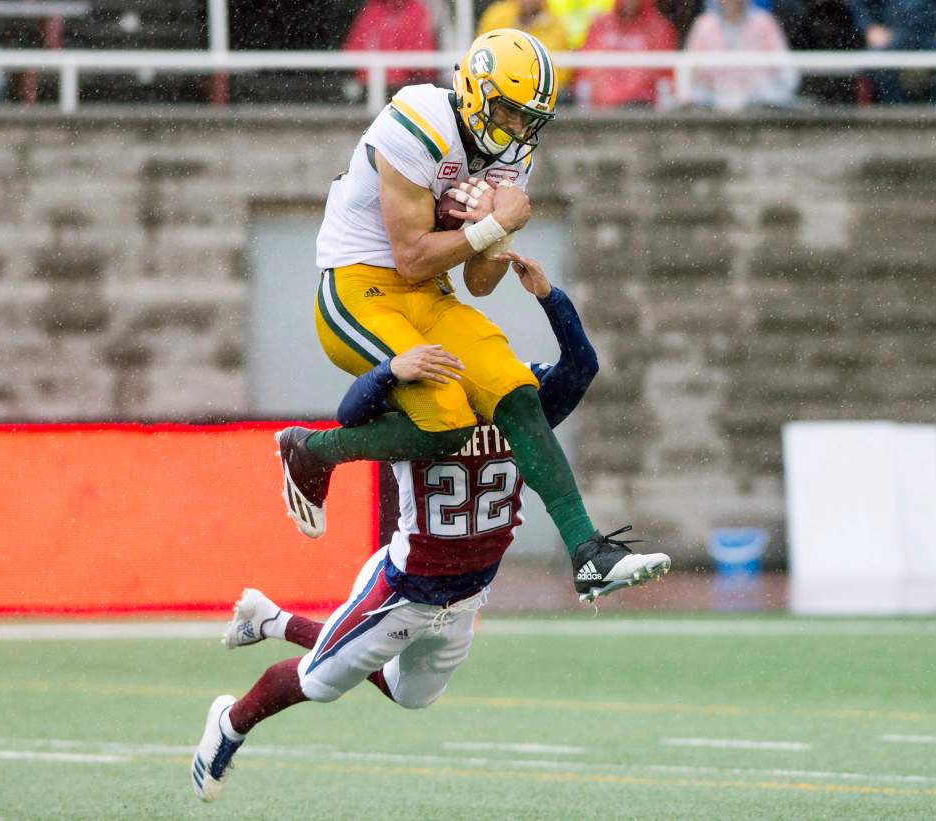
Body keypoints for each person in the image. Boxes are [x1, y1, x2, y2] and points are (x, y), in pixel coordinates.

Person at [193, 252, 667, 802]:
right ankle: (230, 723)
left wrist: (550, 298)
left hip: (467, 595)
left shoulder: (521, 402)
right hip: (405, 587)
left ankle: (271, 619)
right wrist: (391, 370)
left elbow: (582, 367)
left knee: (410, 695)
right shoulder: (424, 405)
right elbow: (350, 416)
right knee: (320, 683)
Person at [281, 28, 668, 611]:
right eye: (511, 113)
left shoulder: (515, 152)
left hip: (428, 293)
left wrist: (499, 228)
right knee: (445, 421)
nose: (518, 131)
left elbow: (478, 283)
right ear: (476, 91)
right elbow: (409, 253)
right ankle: (312, 451)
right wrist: (489, 224)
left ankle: (588, 552)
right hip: (357, 287)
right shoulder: (416, 117)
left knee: (514, 388)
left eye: (529, 119)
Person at [850, 0, 936, 104]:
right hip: (893, 32)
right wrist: (870, 27)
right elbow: (859, 4)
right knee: (875, 61)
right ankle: (897, 115)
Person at [684, 0, 798, 110]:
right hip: (712, 100)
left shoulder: (763, 22)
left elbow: (786, 71)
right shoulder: (704, 25)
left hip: (758, 101)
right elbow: (690, 70)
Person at [574, 0, 678, 109]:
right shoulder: (601, 25)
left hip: (642, 108)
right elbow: (585, 70)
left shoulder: (658, 28)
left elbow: (667, 74)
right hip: (601, 109)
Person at [343, 0, 438, 94]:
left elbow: (423, 57)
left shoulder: (416, 11)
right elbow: (354, 49)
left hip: (405, 88)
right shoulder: (371, 10)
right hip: (370, 88)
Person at [477, 0, 572, 88]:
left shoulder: (555, 25)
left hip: (538, 92)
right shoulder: (497, 17)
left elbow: (560, 74)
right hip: (498, 89)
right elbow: (482, 54)